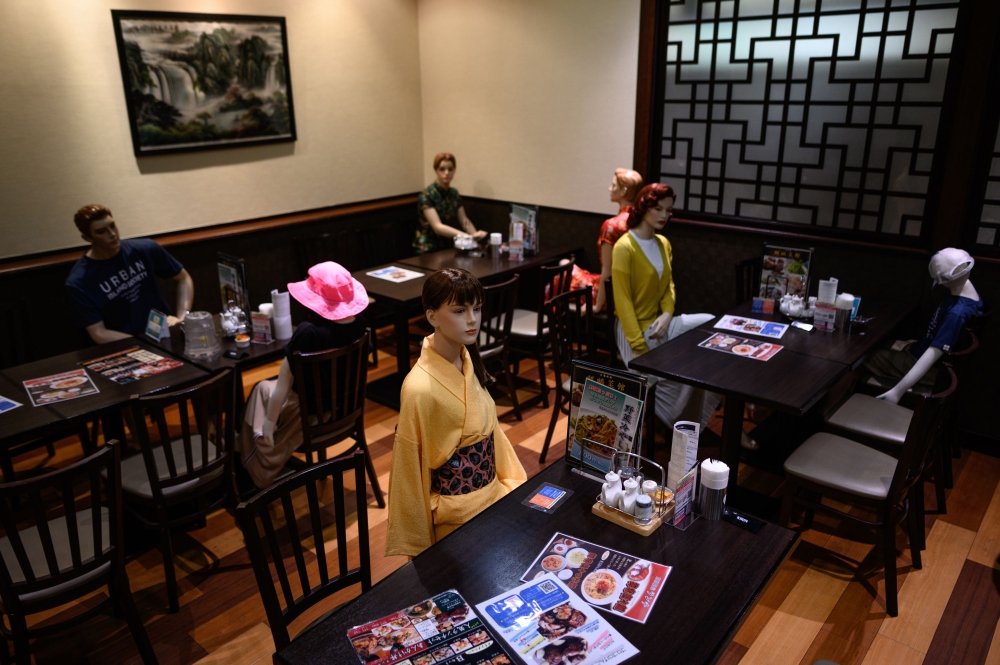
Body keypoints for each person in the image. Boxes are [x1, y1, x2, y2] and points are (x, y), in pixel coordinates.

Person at [385, 269, 526, 558]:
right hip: (456, 516)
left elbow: (490, 433)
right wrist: (418, 543)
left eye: (476, 308)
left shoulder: (467, 361)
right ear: (432, 316)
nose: (472, 319)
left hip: (492, 497)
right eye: (460, 310)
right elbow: (410, 465)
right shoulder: (418, 387)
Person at [611, 184, 730, 436]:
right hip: (633, 332)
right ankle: (675, 422)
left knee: (711, 326)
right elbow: (622, 304)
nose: (664, 215)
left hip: (659, 322)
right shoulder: (624, 247)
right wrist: (642, 352)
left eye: (668, 210)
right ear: (643, 208)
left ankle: (687, 423)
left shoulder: (663, 243)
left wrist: (667, 314)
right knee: (674, 369)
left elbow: (668, 286)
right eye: (658, 209)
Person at [237, 262, 370, 489]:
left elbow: (283, 385)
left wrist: (270, 421)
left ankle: (253, 460)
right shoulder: (361, 326)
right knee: (261, 388)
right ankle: (251, 445)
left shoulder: (308, 332)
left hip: (308, 412)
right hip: (343, 408)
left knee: (262, 392)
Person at [866, 247, 983, 403]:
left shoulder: (956, 313)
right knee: (877, 343)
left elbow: (934, 353)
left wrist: (897, 391)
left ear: (945, 281)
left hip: (923, 363)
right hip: (918, 348)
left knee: (865, 355)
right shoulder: (970, 296)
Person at [66, 204, 194, 344]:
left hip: (164, 334)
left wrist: (182, 317)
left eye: (112, 226)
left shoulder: (144, 248)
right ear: (87, 238)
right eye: (101, 231)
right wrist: (142, 343)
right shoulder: (79, 281)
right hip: (123, 345)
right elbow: (98, 332)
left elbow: (183, 277)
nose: (112, 234)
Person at [567, 168, 644, 311]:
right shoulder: (644, 222)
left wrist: (597, 305)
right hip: (638, 293)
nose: (610, 189)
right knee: (566, 266)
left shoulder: (612, 225)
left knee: (562, 275)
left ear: (624, 191)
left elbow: (607, 272)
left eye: (613, 186)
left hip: (613, 294)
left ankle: (555, 329)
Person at [413, 153, 488, 254]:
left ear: (454, 170)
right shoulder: (426, 195)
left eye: (450, 169)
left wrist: (475, 237)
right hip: (427, 248)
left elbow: (464, 221)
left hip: (447, 245)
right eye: (442, 169)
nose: (446, 173)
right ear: (436, 170)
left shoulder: (454, 193)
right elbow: (437, 227)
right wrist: (468, 237)